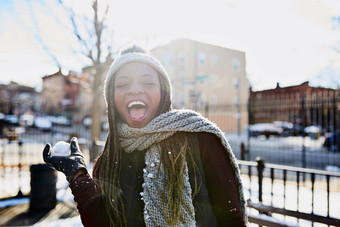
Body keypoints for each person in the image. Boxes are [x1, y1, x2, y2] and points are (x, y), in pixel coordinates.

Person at [43, 45, 248, 227]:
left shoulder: (199, 138)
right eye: (123, 84)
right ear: (112, 99)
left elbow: (232, 220)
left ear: (163, 93)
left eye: (148, 82)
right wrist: (77, 175)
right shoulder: (108, 159)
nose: (135, 90)